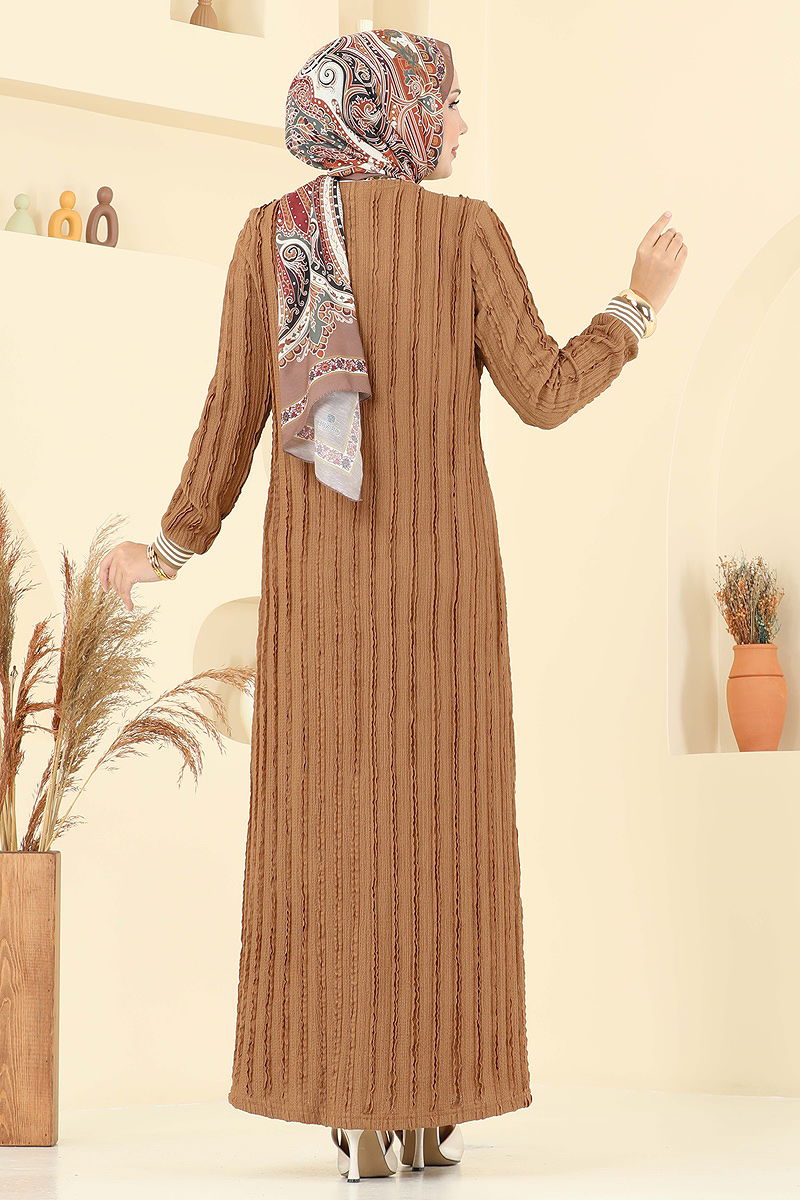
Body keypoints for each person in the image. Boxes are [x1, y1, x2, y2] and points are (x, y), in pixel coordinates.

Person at [99, 28, 686, 1182]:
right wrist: (637, 302)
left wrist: (169, 548)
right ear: (394, 111)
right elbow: (544, 391)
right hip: (442, 597)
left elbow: (231, 412)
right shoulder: (466, 234)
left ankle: (350, 1106)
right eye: (446, 102)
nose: (460, 123)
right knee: (440, 834)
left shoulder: (271, 236)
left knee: (330, 834)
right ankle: (427, 1103)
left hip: (319, 595)